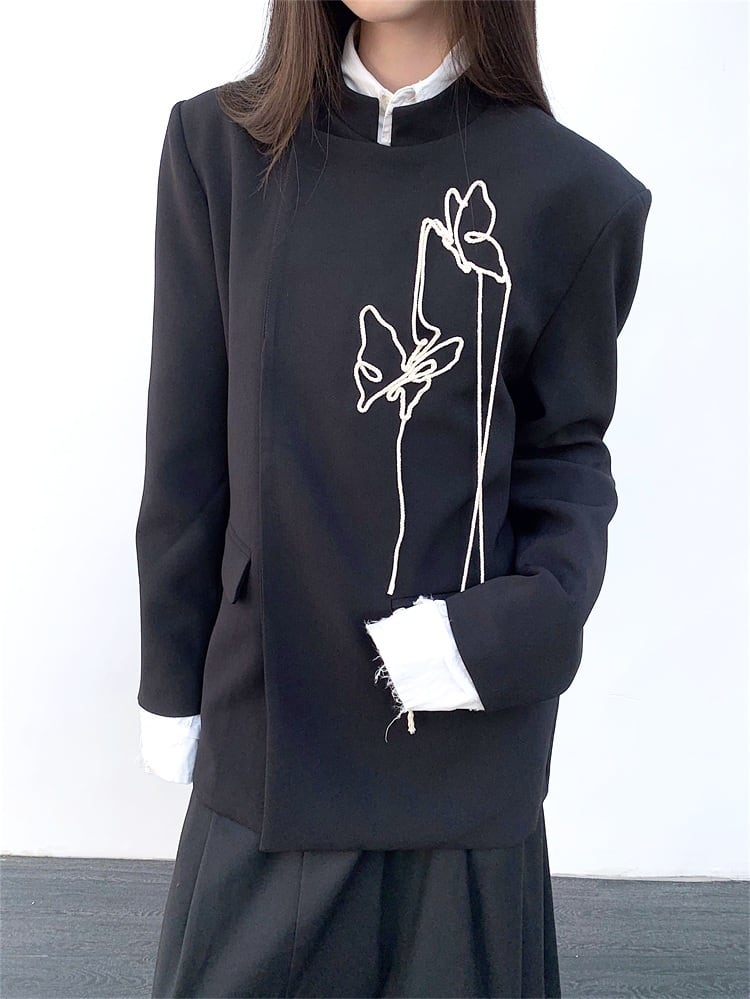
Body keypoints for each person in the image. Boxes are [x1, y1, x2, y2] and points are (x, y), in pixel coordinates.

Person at [135, 1, 653, 995]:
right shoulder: (220, 153)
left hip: (465, 760)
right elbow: (186, 449)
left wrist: (504, 635)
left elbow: (568, 462)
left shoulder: (572, 195)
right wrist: (171, 676)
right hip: (269, 736)